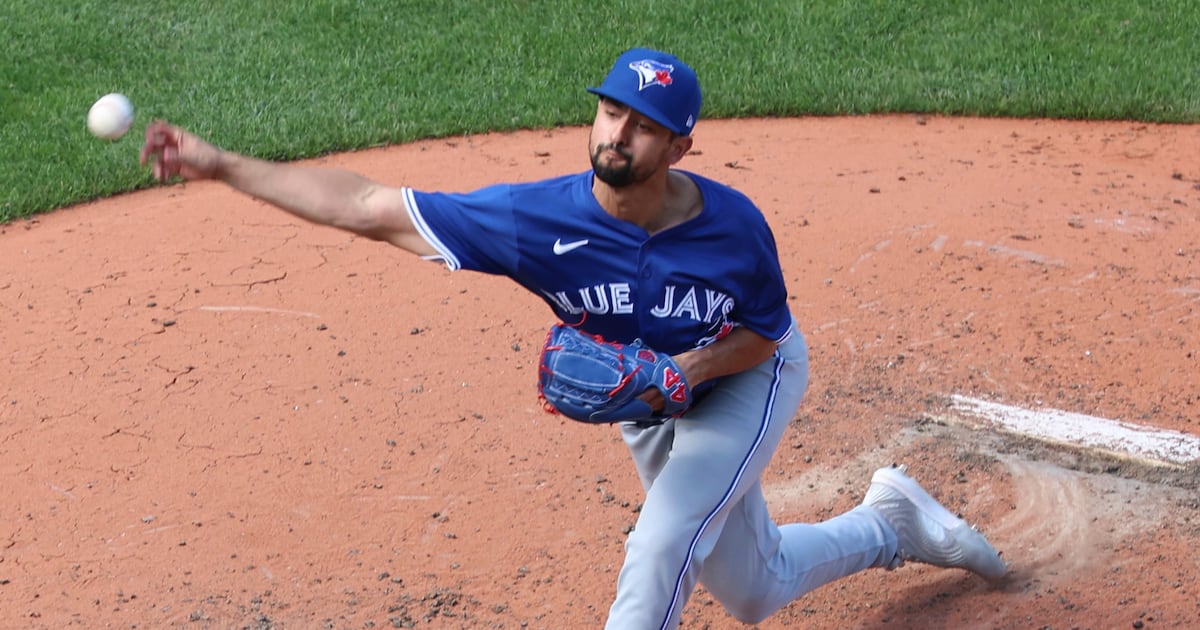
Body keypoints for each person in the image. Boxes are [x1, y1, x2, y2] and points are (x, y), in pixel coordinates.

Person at [140, 47, 1006, 629]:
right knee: (752, 588)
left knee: (662, 543)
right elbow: (365, 208)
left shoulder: (734, 229)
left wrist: (683, 371)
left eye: (640, 126)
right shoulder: (534, 220)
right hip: (650, 393)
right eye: (608, 113)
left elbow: (763, 334)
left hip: (745, 376)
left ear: (679, 143)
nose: (616, 135)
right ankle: (892, 522)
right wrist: (222, 165)